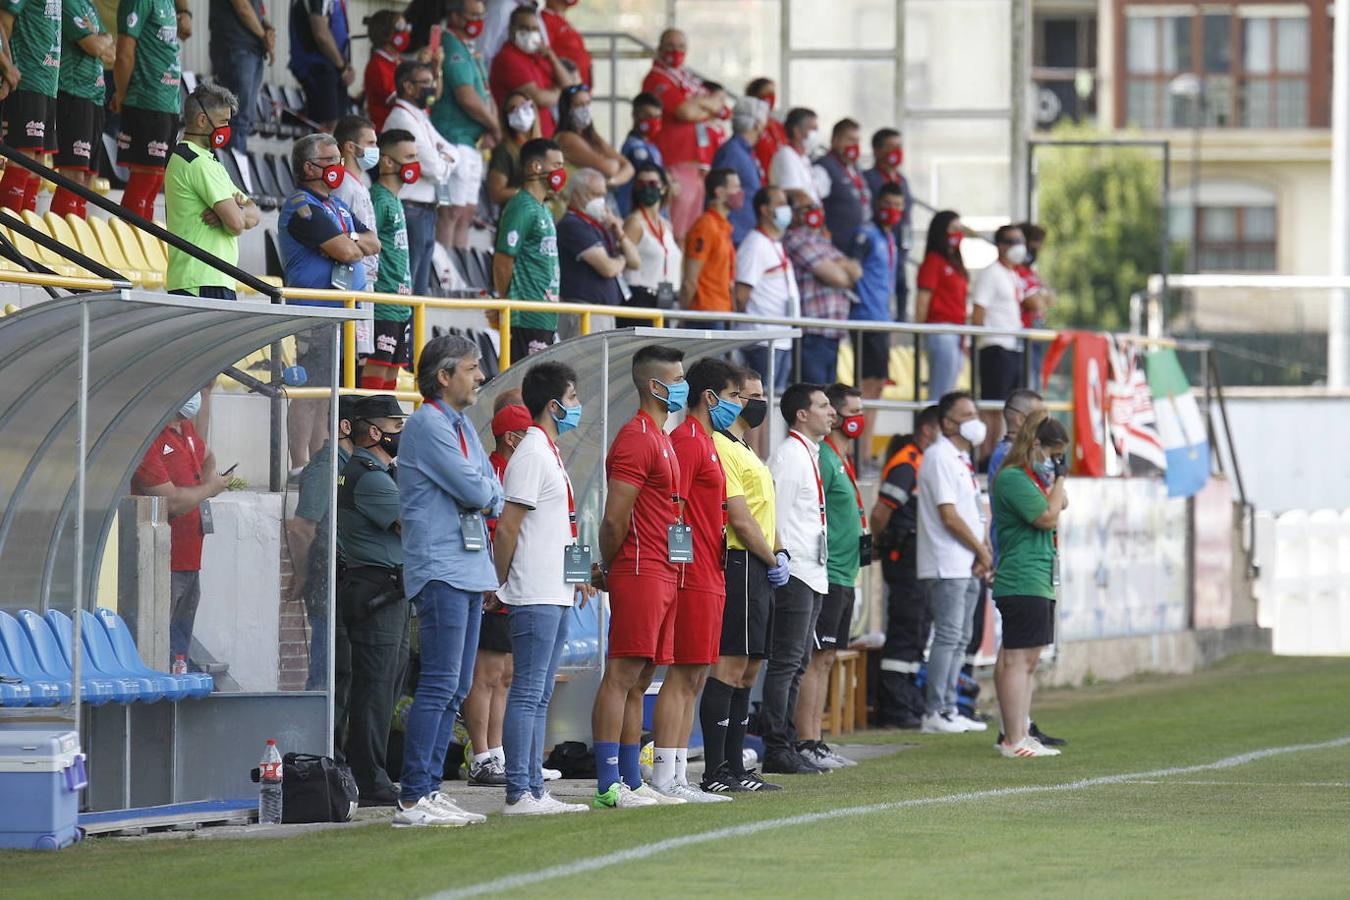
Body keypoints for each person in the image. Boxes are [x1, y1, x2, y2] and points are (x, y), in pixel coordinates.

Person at [393, 334, 500, 828]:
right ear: (444, 376)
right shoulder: (426, 424)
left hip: (469, 570)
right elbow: (474, 488)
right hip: (441, 569)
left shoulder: (461, 425)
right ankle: (414, 796)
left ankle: (430, 790)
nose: (480, 376)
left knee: (456, 687)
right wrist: (481, 491)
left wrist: (483, 492)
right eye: (472, 368)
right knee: (438, 684)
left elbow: (491, 489)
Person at [588, 345, 689, 810]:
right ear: (655, 385)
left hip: (664, 570)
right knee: (621, 675)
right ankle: (608, 783)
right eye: (677, 378)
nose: (683, 386)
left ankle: (630, 778)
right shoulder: (636, 437)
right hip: (640, 567)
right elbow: (614, 519)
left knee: (642, 677)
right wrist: (613, 566)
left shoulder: (662, 437)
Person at [492, 361, 591, 815]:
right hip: (533, 589)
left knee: (540, 693)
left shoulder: (548, 451)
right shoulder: (531, 453)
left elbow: (559, 527)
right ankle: (519, 791)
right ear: (553, 405)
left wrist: (577, 577)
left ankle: (534, 787)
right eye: (572, 399)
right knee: (528, 692)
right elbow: (508, 527)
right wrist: (498, 579)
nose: (577, 407)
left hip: (555, 588)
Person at [648, 357, 740, 803]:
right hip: (692, 573)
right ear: (711, 397)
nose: (739, 406)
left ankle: (679, 774)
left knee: (697, 675)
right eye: (735, 396)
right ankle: (665, 775)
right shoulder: (686, 441)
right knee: (683, 674)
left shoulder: (706, 441)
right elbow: (672, 508)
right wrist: (679, 568)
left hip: (711, 569)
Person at [698, 367, 784, 793]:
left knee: (749, 670)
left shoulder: (745, 447)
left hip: (762, 564)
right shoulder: (718, 445)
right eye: (748, 394)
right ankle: (717, 770)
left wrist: (779, 551)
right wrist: (770, 557)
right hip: (742, 562)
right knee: (730, 665)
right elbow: (739, 515)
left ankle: (735, 765)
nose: (756, 402)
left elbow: (766, 510)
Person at [279, 133, 381, 472]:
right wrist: (347, 242)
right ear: (309, 167)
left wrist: (346, 237)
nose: (339, 166)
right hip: (314, 313)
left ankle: (323, 465)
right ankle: (299, 465)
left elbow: (372, 242)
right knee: (310, 394)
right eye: (331, 160)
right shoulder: (300, 206)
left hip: (341, 315)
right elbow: (349, 251)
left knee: (328, 397)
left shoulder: (337, 206)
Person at [336, 394, 409, 807]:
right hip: (379, 590)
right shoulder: (371, 476)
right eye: (397, 427)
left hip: (386, 588)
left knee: (383, 685)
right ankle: (370, 777)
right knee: (376, 688)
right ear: (376, 432)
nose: (403, 434)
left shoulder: (373, 472)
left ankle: (373, 773)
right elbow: (412, 526)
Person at [793, 382, 867, 770]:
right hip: (829, 568)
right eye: (849, 410)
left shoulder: (839, 456)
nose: (855, 419)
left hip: (845, 570)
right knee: (815, 657)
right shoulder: (820, 456)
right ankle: (805, 739)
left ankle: (816, 739)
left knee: (827, 658)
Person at [761, 382, 834, 775]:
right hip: (796, 571)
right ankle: (777, 746)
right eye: (823, 406)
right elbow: (774, 517)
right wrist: (780, 559)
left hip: (813, 571)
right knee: (787, 662)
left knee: (799, 661)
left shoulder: (809, 454)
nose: (831, 412)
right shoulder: (789, 457)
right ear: (801, 414)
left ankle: (787, 742)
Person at [991, 410, 1069, 758]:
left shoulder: (1034, 479)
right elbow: (1046, 516)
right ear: (1036, 446)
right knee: (1017, 661)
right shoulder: (1012, 478)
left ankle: (1021, 732)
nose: (1056, 463)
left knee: (1029, 661)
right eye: (1053, 455)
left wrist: (1053, 480)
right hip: (1021, 578)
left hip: (1037, 578)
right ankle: (1012, 738)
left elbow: (1059, 503)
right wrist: (1060, 479)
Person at [132, 392, 230, 665]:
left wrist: (207, 482)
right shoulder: (147, 437)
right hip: (161, 562)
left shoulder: (184, 427)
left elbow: (208, 456)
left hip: (190, 560)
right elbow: (170, 503)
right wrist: (210, 489)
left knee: (179, 649)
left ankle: (177, 688)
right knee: (156, 642)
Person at [464, 400, 531, 787]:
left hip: (516, 582)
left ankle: (498, 752)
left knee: (504, 675)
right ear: (511, 438)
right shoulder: (493, 472)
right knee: (486, 673)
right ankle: (480, 755)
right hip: (495, 583)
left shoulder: (519, 470)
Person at [916, 391, 991, 735]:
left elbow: (973, 511)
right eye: (967, 415)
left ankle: (950, 705)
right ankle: (936, 710)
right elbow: (949, 515)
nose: (976, 421)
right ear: (948, 423)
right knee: (947, 635)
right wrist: (981, 549)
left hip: (967, 561)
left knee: (962, 637)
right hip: (947, 562)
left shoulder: (961, 458)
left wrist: (982, 548)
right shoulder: (938, 456)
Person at [871, 405, 941, 728]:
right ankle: (895, 708)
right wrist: (880, 545)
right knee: (905, 631)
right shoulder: (907, 463)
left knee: (917, 630)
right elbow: (881, 513)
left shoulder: (923, 460)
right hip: (905, 560)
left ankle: (909, 701)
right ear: (928, 430)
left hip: (919, 560)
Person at [165, 83, 261, 301]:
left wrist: (234, 211)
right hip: (201, 281)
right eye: (223, 122)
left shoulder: (207, 160)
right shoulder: (196, 161)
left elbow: (254, 213)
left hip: (211, 279)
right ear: (201, 120)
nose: (227, 128)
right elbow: (236, 225)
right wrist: (236, 214)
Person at [289, 394, 357, 698]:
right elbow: (302, 528)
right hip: (325, 585)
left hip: (342, 586)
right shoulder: (326, 468)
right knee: (324, 677)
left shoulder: (349, 465)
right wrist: (302, 575)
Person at [642, 28, 727, 239]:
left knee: (691, 233)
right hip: (674, 164)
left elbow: (723, 109)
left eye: (681, 46)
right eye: (670, 46)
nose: (676, 51)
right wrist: (705, 107)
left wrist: (698, 104)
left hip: (696, 166)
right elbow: (685, 112)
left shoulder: (686, 77)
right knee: (676, 233)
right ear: (660, 49)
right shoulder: (657, 78)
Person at [384, 60, 455, 298]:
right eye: (425, 83)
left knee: (419, 293)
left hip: (425, 211)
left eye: (432, 82)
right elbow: (434, 167)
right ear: (408, 86)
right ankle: (404, 336)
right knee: (407, 289)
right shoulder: (402, 118)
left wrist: (442, 157)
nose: (432, 88)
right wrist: (442, 158)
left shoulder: (420, 117)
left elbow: (453, 152)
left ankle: (414, 335)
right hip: (411, 209)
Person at [432, 0, 498, 250]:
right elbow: (467, 98)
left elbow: (485, 94)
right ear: (456, 16)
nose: (478, 21)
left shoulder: (469, 48)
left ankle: (458, 276)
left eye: (481, 15)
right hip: (452, 140)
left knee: (467, 212)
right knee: (451, 212)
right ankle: (445, 278)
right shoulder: (450, 45)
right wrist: (495, 127)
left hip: (471, 142)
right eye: (473, 15)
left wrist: (489, 128)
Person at [493, 137, 565, 361]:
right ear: (536, 167)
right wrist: (507, 303)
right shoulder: (521, 206)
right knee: (522, 386)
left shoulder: (543, 208)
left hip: (545, 314)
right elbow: (503, 260)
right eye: (557, 165)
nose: (561, 172)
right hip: (525, 316)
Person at [849, 181, 906, 459]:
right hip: (866, 318)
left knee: (877, 387)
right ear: (876, 205)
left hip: (882, 319)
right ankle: (858, 451)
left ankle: (865, 449)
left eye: (897, 206)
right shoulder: (865, 234)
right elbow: (853, 270)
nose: (892, 211)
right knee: (866, 387)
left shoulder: (891, 238)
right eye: (887, 205)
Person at [112, 0, 182, 221]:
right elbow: (124, 53)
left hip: (168, 101)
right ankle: (127, 246)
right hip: (146, 99)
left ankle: (142, 244)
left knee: (156, 179)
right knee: (145, 177)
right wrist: (121, 94)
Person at [364, 128, 420, 391]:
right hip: (383, 301)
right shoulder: (377, 198)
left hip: (401, 304)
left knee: (392, 373)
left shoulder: (395, 200)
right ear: (387, 161)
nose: (415, 164)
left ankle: (385, 427)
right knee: (377, 368)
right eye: (409, 157)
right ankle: (371, 426)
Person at [782, 197, 861, 386]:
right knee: (812, 397)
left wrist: (838, 267)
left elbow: (857, 272)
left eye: (815, 207)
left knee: (826, 400)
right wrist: (840, 268)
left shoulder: (823, 241)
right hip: (813, 333)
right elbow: (837, 277)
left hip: (833, 334)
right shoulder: (795, 239)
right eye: (806, 208)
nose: (812, 212)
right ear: (794, 213)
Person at [555, 167, 640, 337]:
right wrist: (621, 261)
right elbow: (607, 268)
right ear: (577, 193)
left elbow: (635, 261)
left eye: (603, 195)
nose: (601, 201)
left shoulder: (601, 225)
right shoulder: (572, 224)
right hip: (584, 313)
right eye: (595, 194)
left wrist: (619, 232)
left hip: (602, 312)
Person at [50, 0, 113, 218]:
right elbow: (95, 47)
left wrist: (101, 38)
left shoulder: (89, 5)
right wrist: (100, 39)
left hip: (96, 98)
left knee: (87, 180)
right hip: (74, 94)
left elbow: (110, 53)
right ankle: (59, 244)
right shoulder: (69, 3)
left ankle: (75, 239)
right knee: (73, 177)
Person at [736, 186, 799, 392]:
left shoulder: (775, 244)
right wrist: (754, 324)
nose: (786, 209)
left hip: (781, 338)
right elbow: (741, 295)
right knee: (758, 406)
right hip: (762, 338)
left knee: (773, 404)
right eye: (780, 204)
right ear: (765, 210)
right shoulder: (755, 244)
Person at [0, 0, 60, 213]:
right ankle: (8, 238)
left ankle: (24, 239)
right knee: (22, 161)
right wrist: (6, 70)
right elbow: (3, 24)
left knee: (35, 166)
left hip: (48, 84)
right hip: (26, 80)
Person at [489, 5, 576, 138]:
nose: (530, 32)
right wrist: (560, 92)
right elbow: (538, 98)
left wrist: (552, 58)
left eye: (535, 29)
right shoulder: (508, 58)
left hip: (546, 134)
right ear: (512, 29)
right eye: (524, 28)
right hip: (523, 139)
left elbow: (570, 87)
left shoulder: (538, 55)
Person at [915, 210, 969, 400]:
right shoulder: (934, 261)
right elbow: (922, 301)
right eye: (953, 229)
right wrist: (919, 333)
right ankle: (933, 428)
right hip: (940, 329)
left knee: (948, 391)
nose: (957, 234)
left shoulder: (955, 265)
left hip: (956, 332)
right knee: (940, 393)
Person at [208, 0, 274, 152]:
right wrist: (265, 36)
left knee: (244, 120)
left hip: (252, 50)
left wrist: (268, 29)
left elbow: (256, 11)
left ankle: (236, 167)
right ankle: (232, 171)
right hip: (235, 47)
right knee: (235, 118)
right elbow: (242, 7)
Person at [972, 224, 1027, 403]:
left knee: (1012, 405)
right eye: (1012, 241)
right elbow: (979, 310)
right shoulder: (991, 272)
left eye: (1020, 241)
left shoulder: (1012, 274)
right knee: (993, 406)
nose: (1018, 245)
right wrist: (977, 342)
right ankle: (992, 433)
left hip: (1012, 347)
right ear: (1000, 245)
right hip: (994, 347)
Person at [621, 163, 681, 324]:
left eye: (652, 184)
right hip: (640, 300)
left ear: (663, 188)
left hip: (664, 300)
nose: (647, 188)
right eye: (641, 184)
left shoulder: (666, 225)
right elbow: (622, 264)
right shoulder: (634, 223)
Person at [863, 128, 914, 316]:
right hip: (879, 246)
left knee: (902, 287)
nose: (896, 151)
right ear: (877, 151)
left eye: (899, 146)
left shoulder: (902, 180)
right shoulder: (869, 178)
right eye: (891, 147)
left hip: (899, 245)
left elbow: (908, 216)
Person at [331, 114, 381, 304]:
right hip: (351, 278)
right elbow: (337, 232)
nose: (376, 149)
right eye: (370, 143)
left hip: (366, 277)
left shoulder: (360, 184)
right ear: (350, 147)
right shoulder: (342, 185)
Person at [679, 166, 739, 318]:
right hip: (705, 314)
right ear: (719, 192)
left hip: (722, 313)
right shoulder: (706, 226)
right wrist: (683, 317)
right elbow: (690, 279)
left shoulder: (723, 226)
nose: (740, 192)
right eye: (735, 187)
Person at [555, 84, 634, 195]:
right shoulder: (566, 138)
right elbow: (609, 169)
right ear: (567, 110)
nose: (585, 109)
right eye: (579, 105)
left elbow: (629, 168)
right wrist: (615, 167)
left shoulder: (592, 136)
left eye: (588, 104)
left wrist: (611, 181)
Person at [288, 0, 353, 129]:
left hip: (334, 66)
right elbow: (321, 35)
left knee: (340, 128)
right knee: (328, 127)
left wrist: (345, 66)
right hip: (318, 66)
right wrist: (342, 66)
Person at [711, 96, 767, 246]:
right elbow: (719, 194)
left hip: (743, 234)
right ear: (757, 125)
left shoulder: (744, 152)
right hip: (733, 236)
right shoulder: (733, 152)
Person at [818, 118, 869, 256]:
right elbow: (815, 203)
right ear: (835, 140)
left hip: (858, 246)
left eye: (857, 141)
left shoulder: (855, 168)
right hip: (836, 248)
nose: (855, 145)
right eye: (850, 140)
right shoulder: (823, 167)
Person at [615, 92, 664, 216]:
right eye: (648, 116)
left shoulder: (651, 146)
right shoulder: (633, 146)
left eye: (657, 117)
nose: (654, 121)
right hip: (634, 210)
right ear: (635, 115)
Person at [486, 90, 539, 207]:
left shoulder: (544, 147)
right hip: (516, 217)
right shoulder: (504, 150)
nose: (519, 112)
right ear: (506, 118)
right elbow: (497, 193)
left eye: (524, 106)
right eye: (513, 109)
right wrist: (530, 192)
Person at [1015, 222, 1054, 377]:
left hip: (1036, 331)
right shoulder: (1017, 271)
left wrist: (1040, 298)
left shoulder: (1030, 272)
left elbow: (1050, 299)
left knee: (1035, 376)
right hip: (1024, 332)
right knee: (1027, 378)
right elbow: (1035, 303)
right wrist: (1040, 298)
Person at [769, 107, 822, 206]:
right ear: (797, 132)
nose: (816, 134)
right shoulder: (786, 155)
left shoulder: (803, 158)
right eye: (813, 129)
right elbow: (794, 194)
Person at [361, 9, 404, 130]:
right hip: (386, 133)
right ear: (385, 32)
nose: (406, 32)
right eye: (400, 28)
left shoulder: (400, 61)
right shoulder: (377, 65)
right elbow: (399, 100)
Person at [745, 76, 786, 184]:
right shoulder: (748, 123)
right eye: (768, 93)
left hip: (779, 179)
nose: (772, 96)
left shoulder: (777, 124)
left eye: (773, 93)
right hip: (760, 180)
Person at [539, 0, 589, 86]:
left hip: (578, 81)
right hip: (566, 83)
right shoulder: (545, 19)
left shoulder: (559, 18)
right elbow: (546, 53)